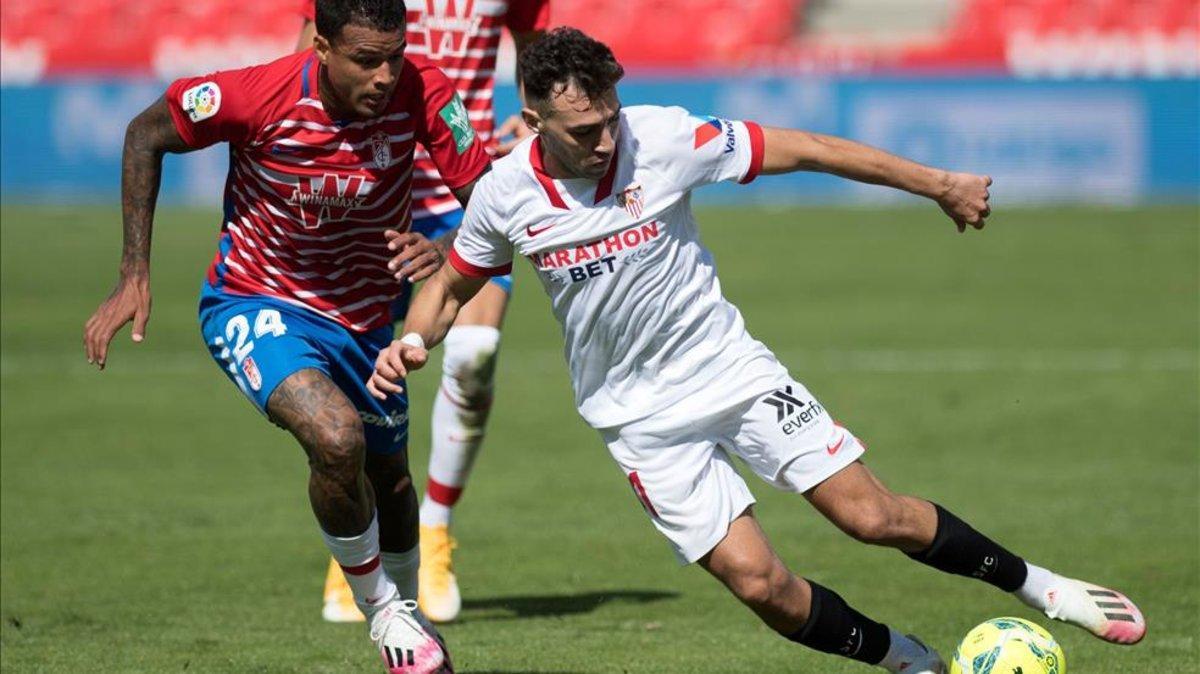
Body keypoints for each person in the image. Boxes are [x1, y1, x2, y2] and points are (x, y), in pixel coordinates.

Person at [367, 27, 1147, 672]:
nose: (606, 139)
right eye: (584, 130)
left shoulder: (662, 137)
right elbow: (453, 283)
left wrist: (935, 182)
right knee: (761, 584)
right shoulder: (507, 192)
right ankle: (910, 660)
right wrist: (413, 339)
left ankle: (1042, 588)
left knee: (873, 517)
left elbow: (804, 149)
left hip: (731, 372)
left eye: (610, 116)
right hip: (639, 421)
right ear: (534, 122)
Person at [82, 1, 492, 671]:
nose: (386, 75)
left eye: (395, 55)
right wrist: (134, 271)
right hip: (255, 301)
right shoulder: (256, 93)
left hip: (366, 320)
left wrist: (446, 244)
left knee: (389, 480)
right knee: (336, 438)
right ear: (322, 47)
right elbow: (145, 132)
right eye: (366, 59)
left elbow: (490, 196)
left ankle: (409, 624)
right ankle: (383, 612)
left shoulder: (425, 88)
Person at [298, 0, 550, 625]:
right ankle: (362, 535)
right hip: (364, 185)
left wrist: (537, 118)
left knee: (474, 356)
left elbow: (537, 43)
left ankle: (433, 529)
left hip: (465, 185)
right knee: (360, 375)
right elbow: (310, 47)